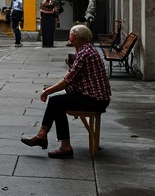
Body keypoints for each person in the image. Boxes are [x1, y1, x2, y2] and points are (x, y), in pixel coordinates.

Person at [20, 23, 111, 158]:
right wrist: (52, 88)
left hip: (94, 99)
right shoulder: (87, 50)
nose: (70, 36)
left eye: (71, 34)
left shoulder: (83, 54)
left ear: (77, 37)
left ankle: (56, 142)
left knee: (56, 101)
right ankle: (46, 137)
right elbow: (72, 80)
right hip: (98, 97)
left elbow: (67, 80)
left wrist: (48, 91)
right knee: (58, 103)